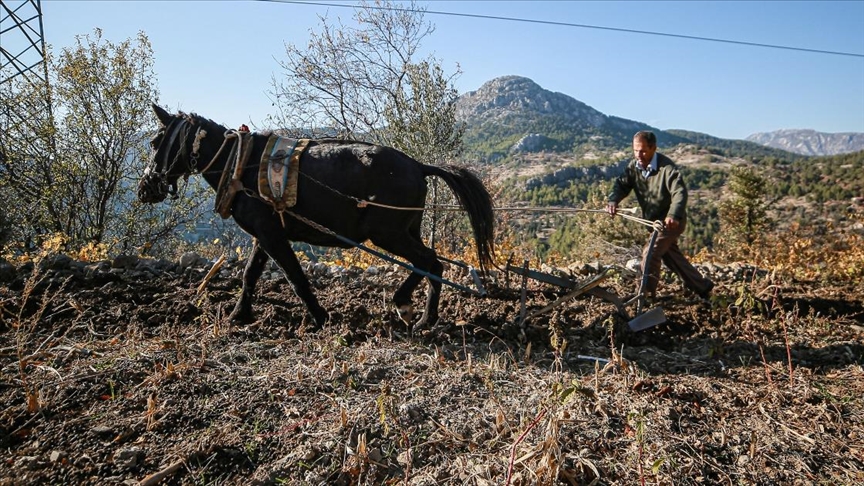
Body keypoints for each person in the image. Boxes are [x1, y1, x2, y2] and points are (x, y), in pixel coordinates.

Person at [606, 131, 714, 300]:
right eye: (635, 151)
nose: (638, 155)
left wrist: (673, 215)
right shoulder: (634, 166)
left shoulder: (667, 168)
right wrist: (613, 200)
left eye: (642, 151)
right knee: (672, 259)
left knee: (651, 253)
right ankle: (703, 287)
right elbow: (622, 184)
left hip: (670, 223)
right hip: (653, 224)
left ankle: (645, 296)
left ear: (653, 148)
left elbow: (679, 192)